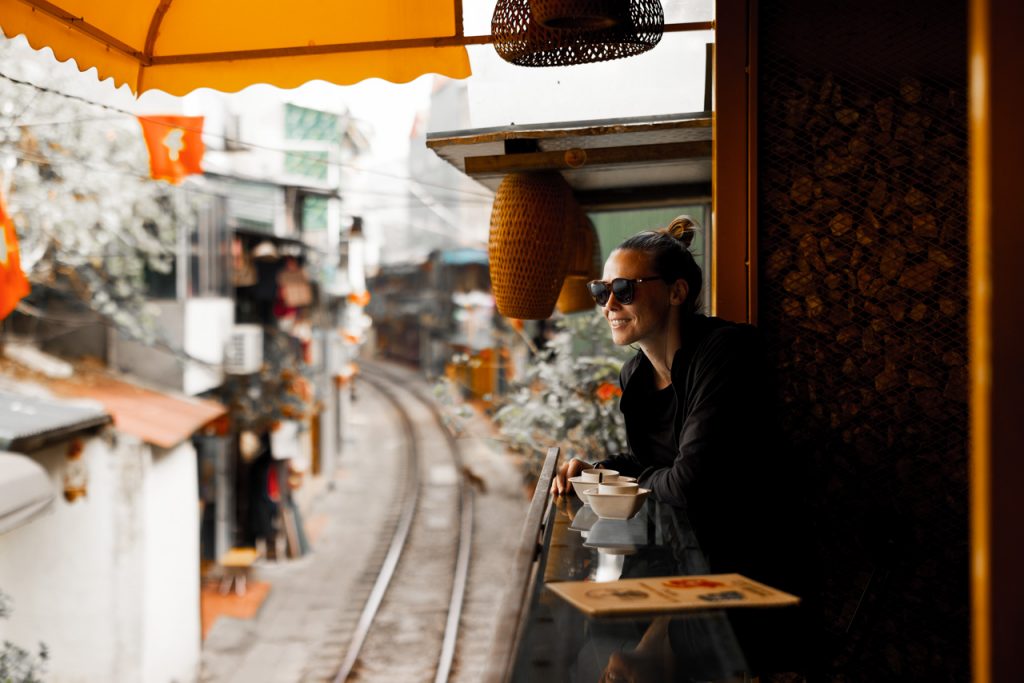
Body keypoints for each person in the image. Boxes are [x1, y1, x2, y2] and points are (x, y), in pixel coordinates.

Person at [550, 216, 820, 676]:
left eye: (624, 289)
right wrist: (595, 470)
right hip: (684, 555)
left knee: (618, 640)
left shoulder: (727, 351)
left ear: (677, 292)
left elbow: (691, 482)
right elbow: (658, 466)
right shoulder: (635, 376)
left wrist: (640, 480)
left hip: (748, 570)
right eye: (602, 292)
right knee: (596, 625)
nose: (609, 304)